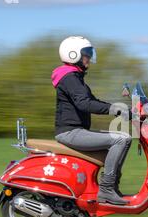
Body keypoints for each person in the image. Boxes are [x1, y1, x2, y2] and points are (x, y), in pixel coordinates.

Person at [52, 36, 132, 205]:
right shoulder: (70, 78)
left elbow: (93, 101)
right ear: (73, 55)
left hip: (77, 131)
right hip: (70, 132)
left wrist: (123, 110)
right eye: (85, 54)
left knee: (124, 138)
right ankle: (107, 190)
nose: (88, 58)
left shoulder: (75, 78)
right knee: (121, 139)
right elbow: (84, 104)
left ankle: (112, 188)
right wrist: (114, 109)